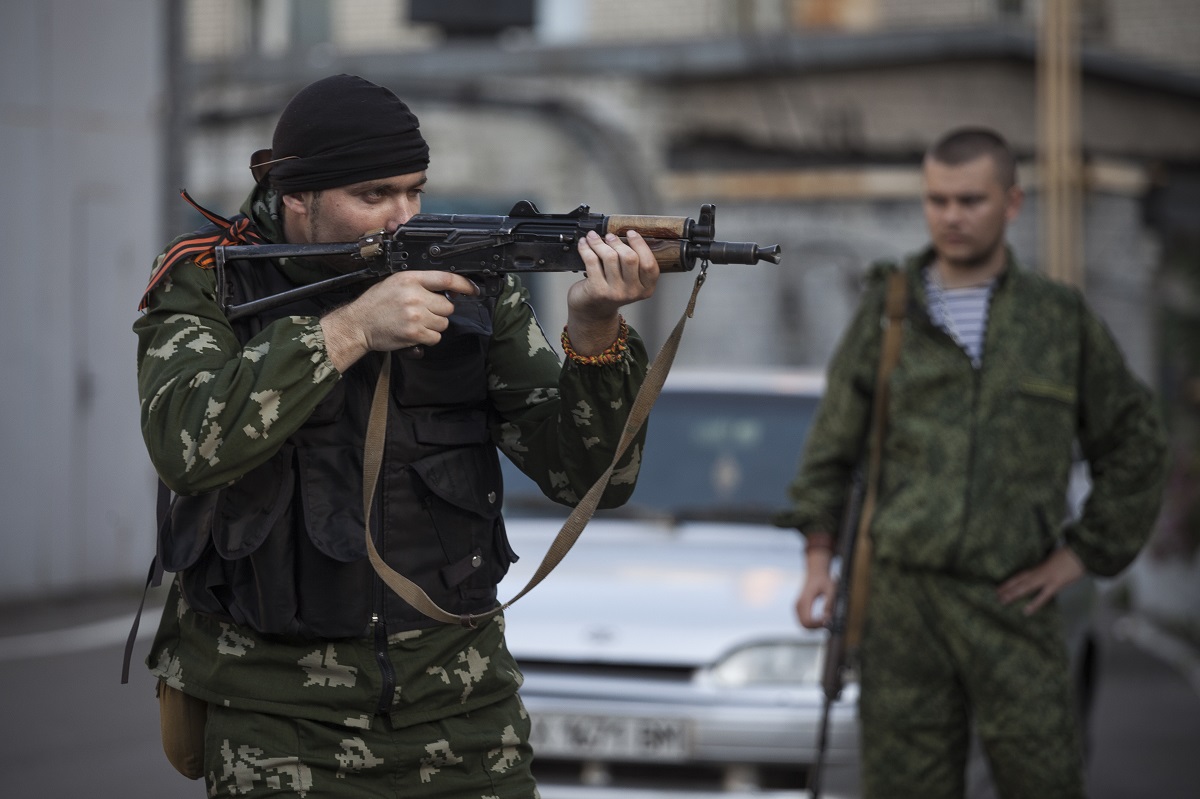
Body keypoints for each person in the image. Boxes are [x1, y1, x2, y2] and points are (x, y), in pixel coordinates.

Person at [133, 74, 660, 797]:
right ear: (297, 196)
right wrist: (347, 331)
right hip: (280, 722)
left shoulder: (470, 282)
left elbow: (591, 477)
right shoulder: (210, 281)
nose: (402, 216)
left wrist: (595, 333)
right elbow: (185, 444)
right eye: (373, 195)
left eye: (413, 189)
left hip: (465, 712)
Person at [775, 127, 1168, 798]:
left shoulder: (1057, 318)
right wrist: (819, 560)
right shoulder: (890, 309)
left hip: (1013, 595)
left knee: (1044, 780)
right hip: (905, 601)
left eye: (969, 200)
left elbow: (1135, 440)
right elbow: (832, 447)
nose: (951, 216)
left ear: (1011, 202)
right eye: (937, 200)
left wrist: (1084, 554)